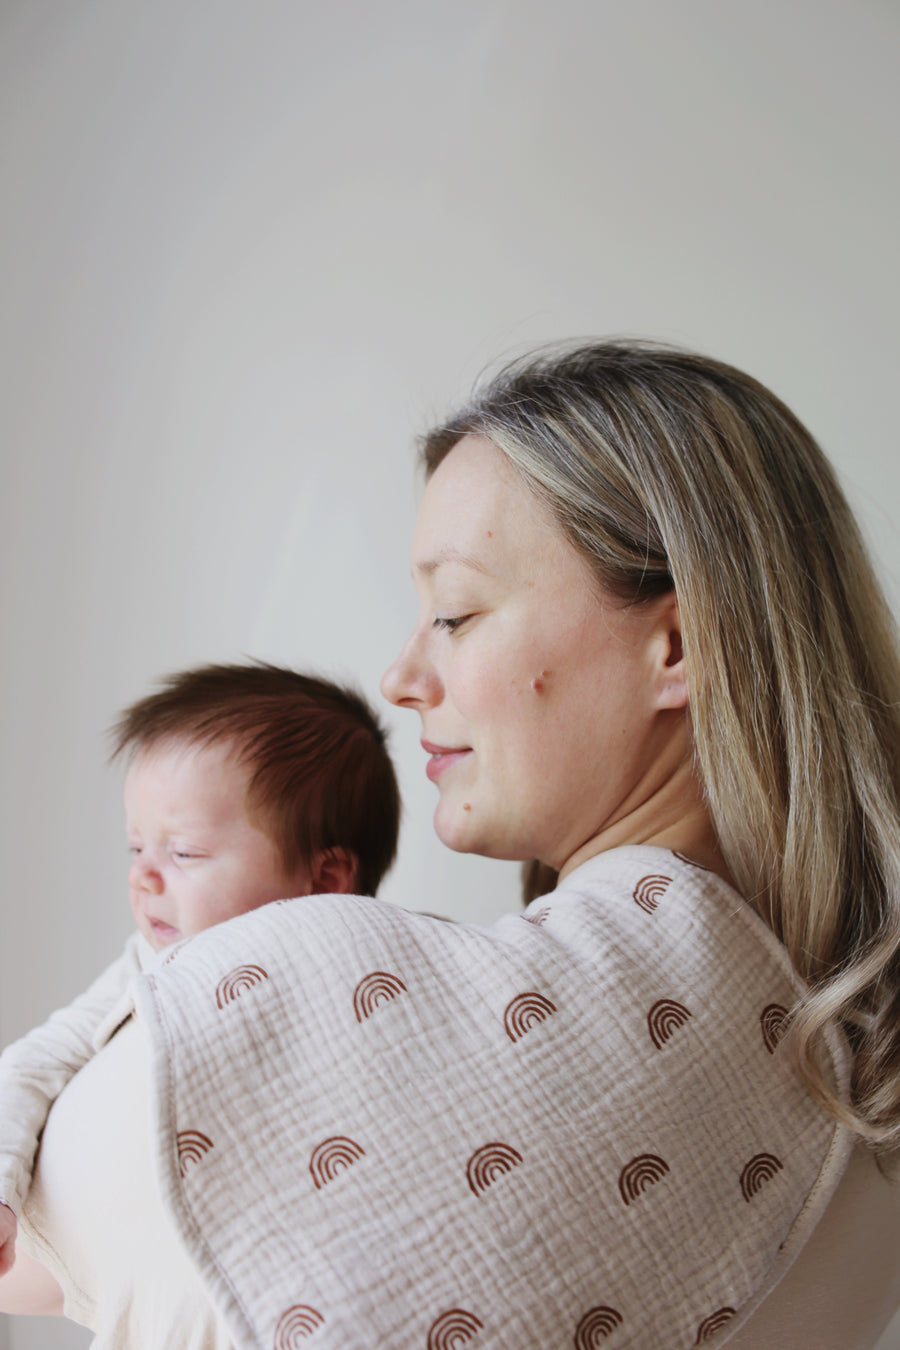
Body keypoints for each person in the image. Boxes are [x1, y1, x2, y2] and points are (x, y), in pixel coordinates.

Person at [4, 340, 900, 1350]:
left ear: (679, 648)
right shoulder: (868, 1103)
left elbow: (59, 1218)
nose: (400, 675)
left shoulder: (292, 986)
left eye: (456, 612)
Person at [0, 661, 400, 1342]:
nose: (143, 876)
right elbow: (40, 1059)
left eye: (184, 853)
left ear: (325, 878)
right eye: (135, 846)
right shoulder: (148, 967)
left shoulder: (374, 974)